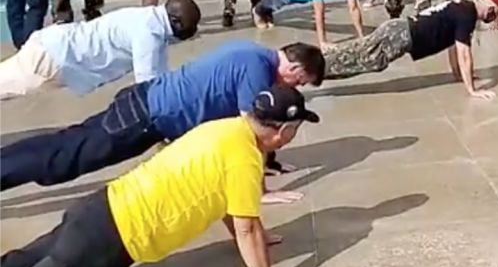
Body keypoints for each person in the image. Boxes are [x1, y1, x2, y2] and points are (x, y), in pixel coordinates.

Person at [0, 85, 318, 267]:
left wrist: (245, 236)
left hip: (100, 206)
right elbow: (246, 225)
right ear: (284, 131)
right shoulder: (245, 159)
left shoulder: (224, 128)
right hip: (114, 238)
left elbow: (230, 206)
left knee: (19, 263)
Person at [0, 41, 325, 191]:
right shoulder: (258, 68)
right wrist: (255, 190)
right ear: (294, 68)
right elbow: (250, 130)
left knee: (68, 147)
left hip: (145, 107)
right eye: (301, 81)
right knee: (66, 155)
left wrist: (271, 164)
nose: (295, 87)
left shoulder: (253, 53)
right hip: (146, 115)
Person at [0, 0, 201, 100]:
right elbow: (147, 84)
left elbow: (161, 74)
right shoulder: (148, 34)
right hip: (55, 58)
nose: (192, 33)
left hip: (55, 48)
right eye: (190, 27)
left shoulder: (151, 19)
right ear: (176, 22)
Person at [322, 0, 498, 100]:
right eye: (496, 12)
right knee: (363, 61)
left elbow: (453, 47)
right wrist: (472, 90)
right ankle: (317, 70)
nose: (494, 17)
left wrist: (458, 75)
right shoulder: (468, 16)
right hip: (401, 36)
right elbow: (464, 53)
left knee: (358, 50)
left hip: (398, 27)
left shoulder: (462, 5)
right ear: (491, 8)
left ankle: (317, 60)